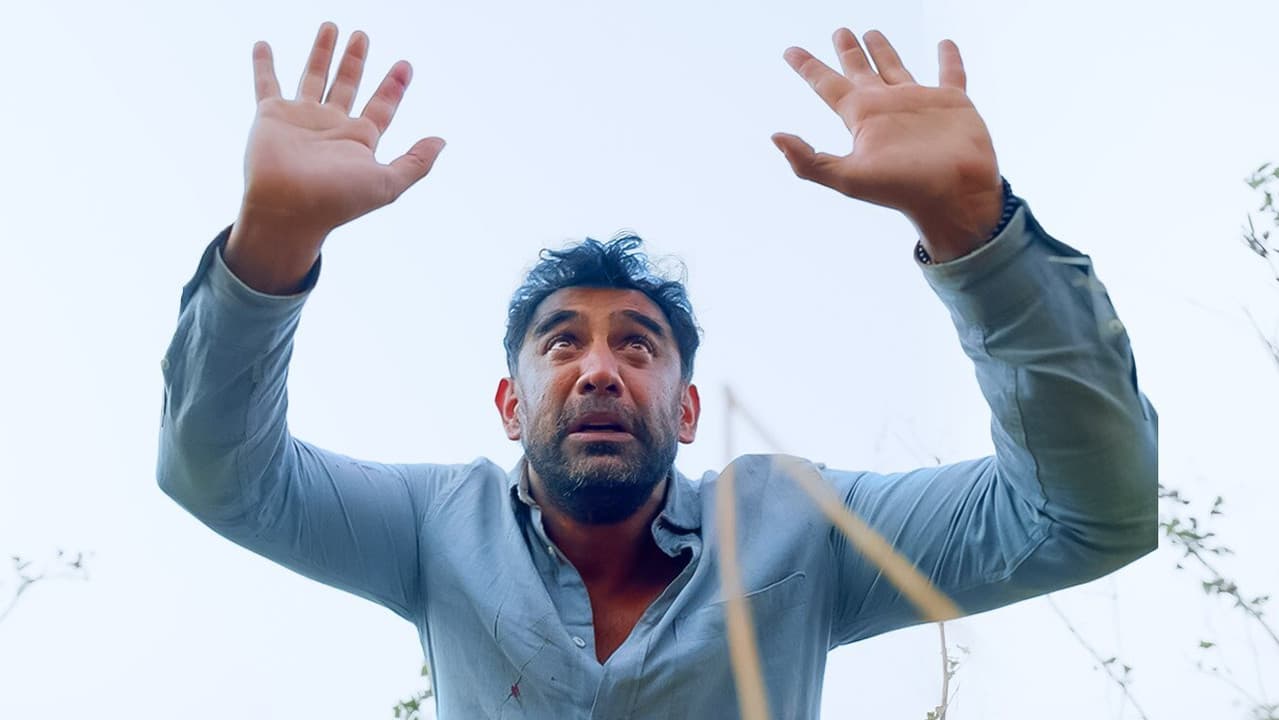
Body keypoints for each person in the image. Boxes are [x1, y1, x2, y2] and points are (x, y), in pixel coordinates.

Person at [157, 21, 1158, 719]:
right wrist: (271, 247)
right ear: (510, 405)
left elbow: (1084, 516)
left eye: (637, 345)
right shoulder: (432, 528)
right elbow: (222, 477)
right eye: (562, 343)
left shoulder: (802, 529)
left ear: (684, 411)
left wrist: (975, 235)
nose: (599, 370)